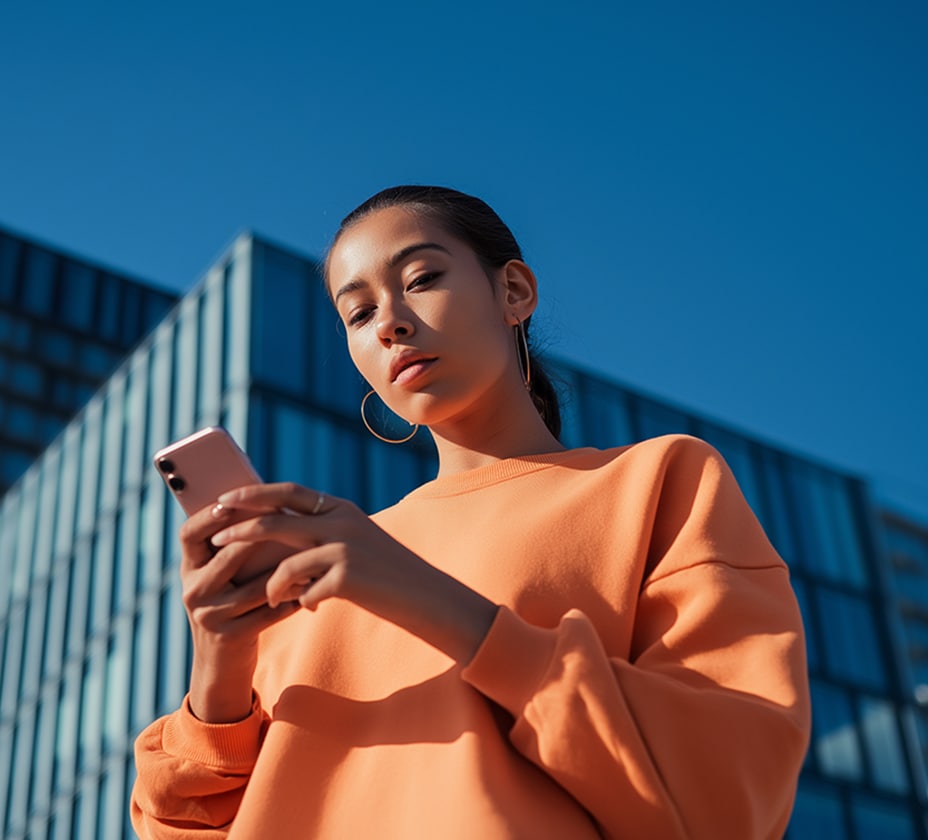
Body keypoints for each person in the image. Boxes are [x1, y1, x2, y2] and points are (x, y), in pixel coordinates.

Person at [130, 186, 810, 839]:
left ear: (513, 291)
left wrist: (429, 599)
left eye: (422, 278)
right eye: (358, 314)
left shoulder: (655, 481)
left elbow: (729, 789)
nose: (391, 323)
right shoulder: (313, 570)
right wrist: (218, 671)